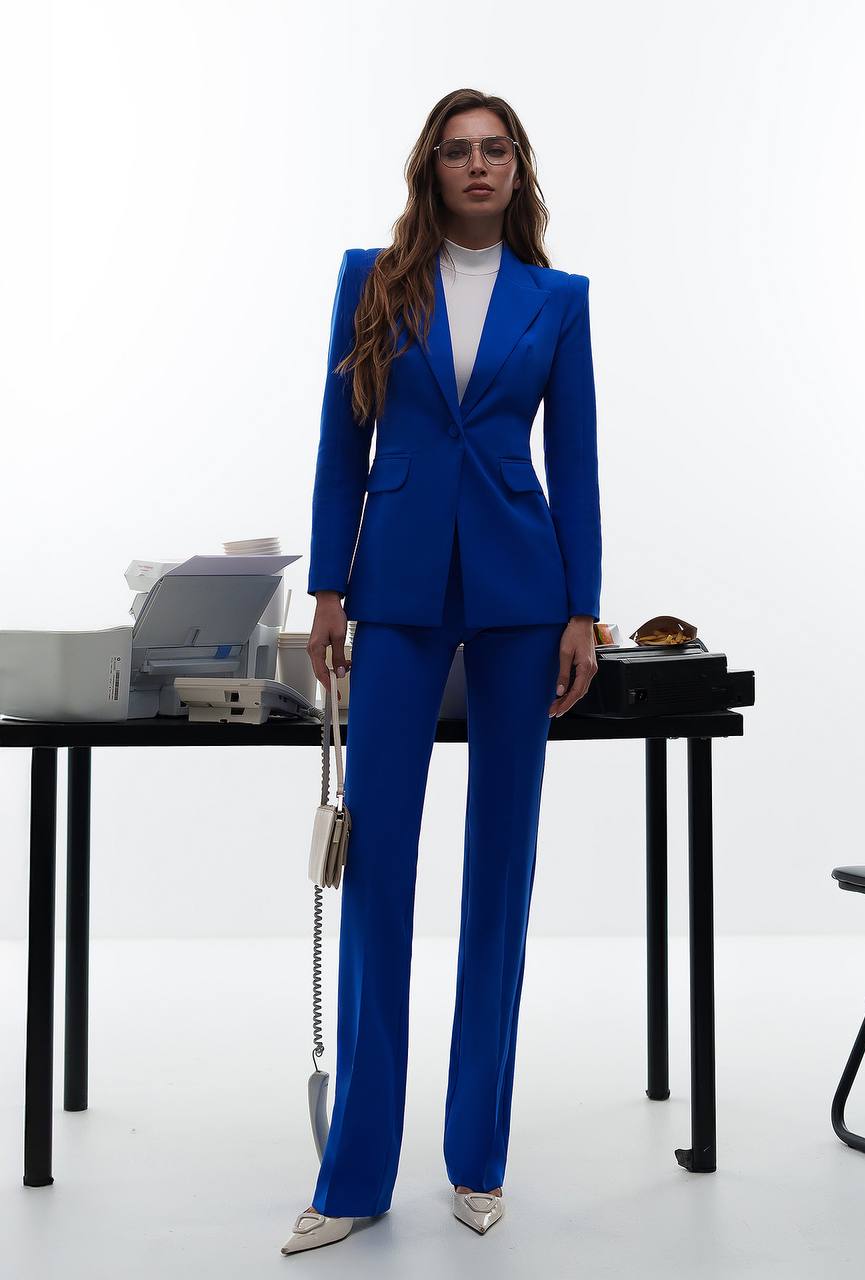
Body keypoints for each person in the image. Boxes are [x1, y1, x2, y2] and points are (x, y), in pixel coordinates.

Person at [281, 87, 602, 1256]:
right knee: (378, 872)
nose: (477, 167)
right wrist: (329, 587)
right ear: (431, 167)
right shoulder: (373, 278)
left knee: (499, 871)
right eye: (458, 151)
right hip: (398, 588)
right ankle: (355, 1170)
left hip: (522, 589)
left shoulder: (557, 300)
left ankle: (478, 1157)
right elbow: (339, 444)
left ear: (518, 170)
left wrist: (583, 605)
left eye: (495, 150)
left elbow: (575, 456)